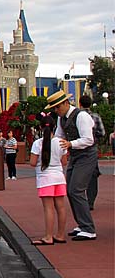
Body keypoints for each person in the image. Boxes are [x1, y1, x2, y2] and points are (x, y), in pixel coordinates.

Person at [46, 89, 96, 241]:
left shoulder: (81, 116)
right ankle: (82, 225)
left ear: (66, 103)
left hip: (86, 155)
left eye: (57, 107)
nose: (56, 110)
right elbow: (59, 136)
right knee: (70, 190)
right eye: (54, 108)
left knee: (76, 189)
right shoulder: (62, 119)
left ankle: (88, 228)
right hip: (75, 155)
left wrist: (70, 144)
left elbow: (88, 139)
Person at [29, 113, 68, 245]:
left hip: (45, 178)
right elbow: (64, 162)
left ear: (40, 128)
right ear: (54, 127)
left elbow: (33, 162)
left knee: (48, 208)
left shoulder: (37, 144)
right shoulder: (61, 142)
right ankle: (61, 235)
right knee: (61, 207)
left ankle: (48, 236)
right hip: (59, 177)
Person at [78, 95, 102, 210]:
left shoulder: (77, 116)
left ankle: (80, 200)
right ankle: (91, 201)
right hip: (92, 148)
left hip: (79, 148)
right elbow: (102, 133)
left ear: (80, 104)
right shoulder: (96, 116)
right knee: (93, 175)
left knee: (79, 175)